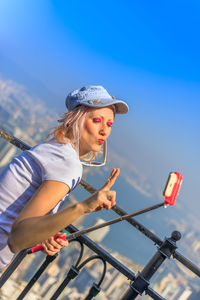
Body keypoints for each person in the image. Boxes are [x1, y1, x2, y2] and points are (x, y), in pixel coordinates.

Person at [0, 85, 129, 269]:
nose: (105, 131)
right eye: (97, 120)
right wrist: (83, 207)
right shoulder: (68, 164)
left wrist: (45, 232)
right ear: (77, 119)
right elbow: (17, 239)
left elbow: (16, 212)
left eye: (109, 124)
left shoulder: (54, 148)